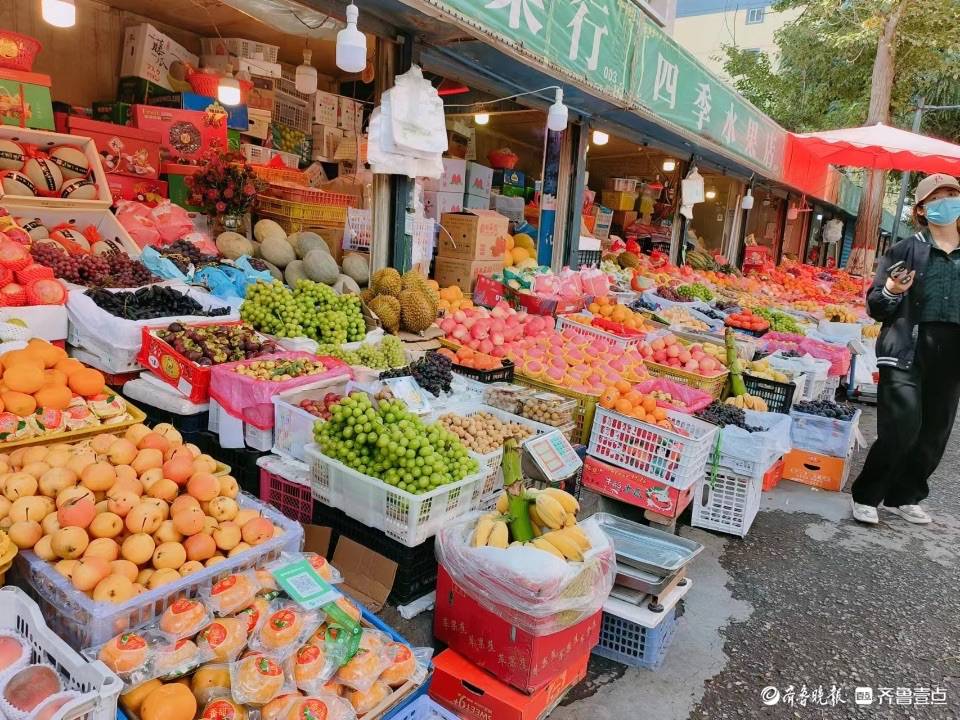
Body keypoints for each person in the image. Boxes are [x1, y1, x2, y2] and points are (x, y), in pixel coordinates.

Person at [851, 173, 960, 525]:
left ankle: (905, 496)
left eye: (953, 195)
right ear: (922, 210)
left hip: (952, 355)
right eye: (938, 197)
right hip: (905, 350)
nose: (947, 202)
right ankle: (867, 494)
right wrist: (893, 291)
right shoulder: (906, 249)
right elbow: (876, 307)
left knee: (934, 432)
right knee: (902, 426)